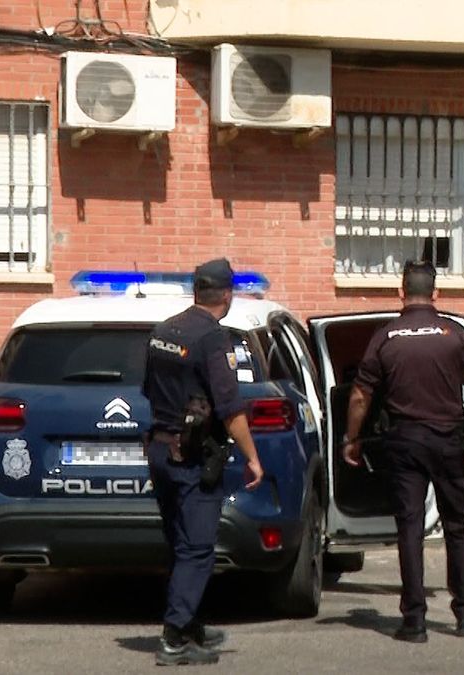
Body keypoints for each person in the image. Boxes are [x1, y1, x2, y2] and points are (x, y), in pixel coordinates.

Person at [340, 259, 464, 644]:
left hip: (404, 443)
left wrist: (352, 437)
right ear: (436, 293)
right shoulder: (454, 333)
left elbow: (361, 394)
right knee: (457, 527)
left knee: (409, 529)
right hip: (448, 442)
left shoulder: (386, 336)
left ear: (400, 293)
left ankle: (414, 621)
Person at [142, 258, 265, 666]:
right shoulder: (213, 339)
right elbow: (231, 408)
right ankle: (174, 637)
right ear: (227, 295)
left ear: (197, 291)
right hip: (192, 456)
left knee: (179, 543)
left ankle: (191, 624)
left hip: (160, 450)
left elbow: (148, 389)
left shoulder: (164, 331)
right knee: (197, 548)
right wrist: (252, 457)